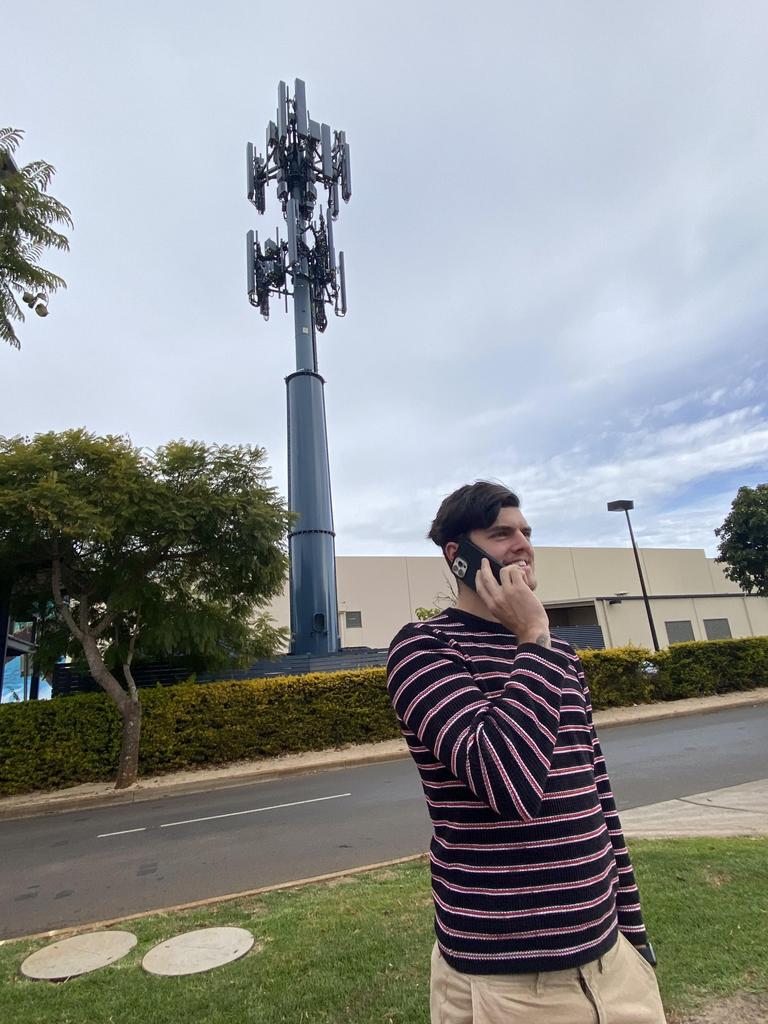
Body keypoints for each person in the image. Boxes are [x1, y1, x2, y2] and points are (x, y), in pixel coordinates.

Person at [387, 481, 666, 1024]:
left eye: (526, 532)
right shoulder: (424, 649)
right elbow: (508, 781)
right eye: (500, 534)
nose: (523, 544)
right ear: (457, 555)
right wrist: (533, 637)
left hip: (613, 962)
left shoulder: (561, 655)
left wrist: (634, 934)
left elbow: (596, 794)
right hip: (508, 978)